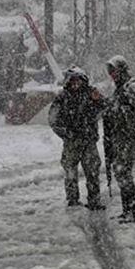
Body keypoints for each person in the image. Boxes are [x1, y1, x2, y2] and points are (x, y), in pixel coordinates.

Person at [48, 66, 107, 210]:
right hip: (71, 142)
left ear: (83, 80)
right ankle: (73, 201)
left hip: (88, 141)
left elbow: (105, 108)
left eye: (78, 80)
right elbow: (53, 119)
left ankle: (94, 201)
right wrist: (66, 133)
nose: (75, 84)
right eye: (72, 81)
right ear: (68, 81)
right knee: (70, 173)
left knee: (92, 171)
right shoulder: (62, 97)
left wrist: (98, 100)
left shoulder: (91, 93)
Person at [103, 55, 135, 223]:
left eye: (113, 71)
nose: (112, 75)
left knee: (123, 171)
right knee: (120, 171)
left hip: (128, 137)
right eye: (110, 72)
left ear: (121, 70)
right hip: (120, 136)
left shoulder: (133, 87)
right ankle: (127, 209)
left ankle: (133, 211)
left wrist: (115, 111)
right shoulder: (121, 87)